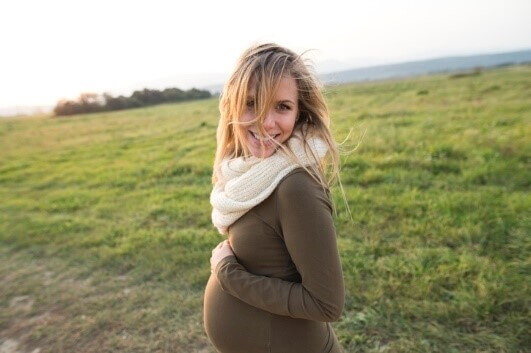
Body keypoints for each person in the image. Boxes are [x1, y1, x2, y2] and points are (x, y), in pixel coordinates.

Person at [203, 43, 346, 353]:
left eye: (281, 106)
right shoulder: (251, 175)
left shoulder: (296, 187)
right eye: (252, 103)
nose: (266, 123)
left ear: (299, 112)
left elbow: (325, 304)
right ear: (232, 106)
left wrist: (228, 273)